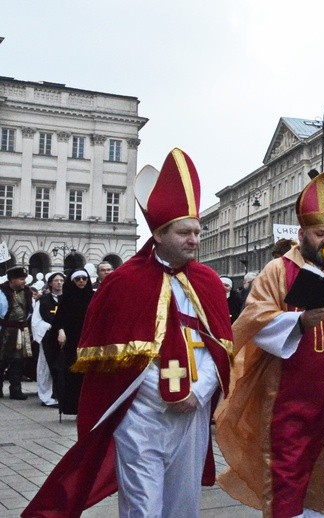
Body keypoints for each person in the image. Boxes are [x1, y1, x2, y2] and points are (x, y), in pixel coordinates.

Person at [23, 148, 233, 517]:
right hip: (142, 416)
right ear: (159, 233)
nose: (194, 240)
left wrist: (196, 394)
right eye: (185, 232)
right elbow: (107, 359)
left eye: (197, 232)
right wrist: (166, 392)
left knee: (183, 507)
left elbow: (219, 350)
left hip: (192, 415)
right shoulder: (122, 283)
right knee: (142, 506)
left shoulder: (210, 283)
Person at [215, 172, 324, 518]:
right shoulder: (278, 269)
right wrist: (298, 322)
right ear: (302, 234)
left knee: (322, 474)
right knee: (287, 474)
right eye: (320, 234)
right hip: (288, 398)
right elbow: (254, 319)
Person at [54, 269, 94, 416]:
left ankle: (89, 408)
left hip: (89, 339)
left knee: (88, 376)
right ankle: (74, 407)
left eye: (84, 278)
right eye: (78, 279)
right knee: (73, 373)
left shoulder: (93, 296)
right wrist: (61, 330)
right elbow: (59, 319)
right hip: (72, 340)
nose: (82, 281)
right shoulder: (66, 298)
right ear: (72, 282)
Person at [0, 266, 34, 400]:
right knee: (1, 360)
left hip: (21, 330)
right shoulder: (1, 292)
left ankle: (16, 390)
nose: (24, 281)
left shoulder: (27, 292)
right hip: (4, 330)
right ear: (12, 280)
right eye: (21, 279)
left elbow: (31, 310)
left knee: (18, 361)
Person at [32, 272, 65, 408]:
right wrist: (49, 326)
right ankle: (47, 396)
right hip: (49, 338)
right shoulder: (43, 301)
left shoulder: (68, 299)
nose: (59, 283)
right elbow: (36, 321)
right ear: (50, 283)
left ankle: (63, 395)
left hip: (66, 338)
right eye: (56, 280)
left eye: (61, 280)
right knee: (46, 367)